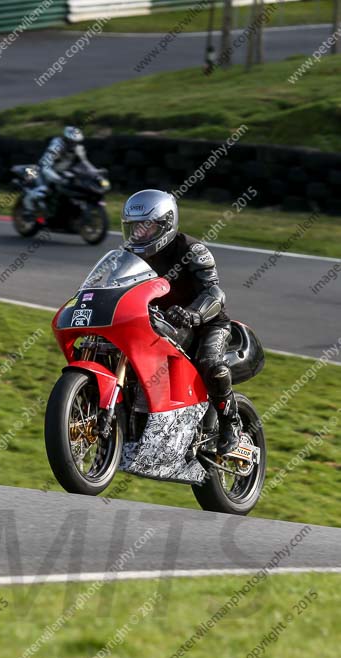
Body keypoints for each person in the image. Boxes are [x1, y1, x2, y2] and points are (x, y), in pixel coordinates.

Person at [121, 189, 242, 456]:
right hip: (160, 324)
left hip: (206, 325)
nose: (138, 233)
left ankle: (231, 424)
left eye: (146, 226)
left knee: (211, 364)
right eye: (133, 227)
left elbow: (214, 293)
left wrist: (193, 314)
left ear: (166, 223)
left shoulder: (192, 250)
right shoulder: (128, 256)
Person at [24, 126, 94, 212]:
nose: (74, 144)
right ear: (66, 139)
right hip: (44, 171)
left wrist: (95, 172)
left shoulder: (77, 148)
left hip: (61, 171)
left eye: (76, 142)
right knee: (43, 191)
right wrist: (58, 179)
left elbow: (85, 162)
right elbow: (46, 166)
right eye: (72, 142)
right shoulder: (56, 147)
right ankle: (29, 210)